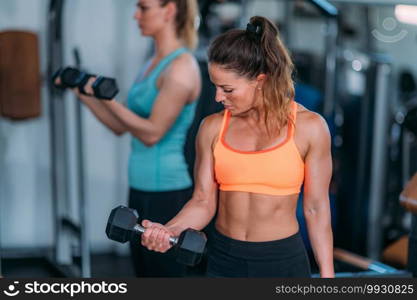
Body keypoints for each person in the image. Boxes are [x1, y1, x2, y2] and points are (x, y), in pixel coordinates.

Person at [140, 16, 334, 278]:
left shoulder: (310, 127)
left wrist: (328, 275)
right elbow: (203, 201)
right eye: (215, 87)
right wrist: (169, 230)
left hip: (282, 261)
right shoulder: (211, 128)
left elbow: (316, 208)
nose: (219, 97)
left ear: (261, 81)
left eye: (228, 89)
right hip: (223, 258)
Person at [66, 0, 201, 277]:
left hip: (167, 191)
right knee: (142, 273)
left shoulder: (181, 66)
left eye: (144, 8)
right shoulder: (150, 64)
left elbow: (152, 133)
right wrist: (84, 94)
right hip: (139, 188)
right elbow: (121, 126)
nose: (136, 15)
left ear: (169, 10)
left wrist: (106, 98)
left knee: (164, 277)